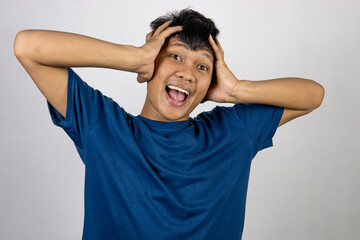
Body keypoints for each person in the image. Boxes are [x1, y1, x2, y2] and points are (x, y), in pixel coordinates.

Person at [14, 8, 324, 240]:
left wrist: (236, 90)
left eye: (202, 65)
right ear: (151, 63)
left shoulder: (230, 132)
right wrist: (133, 58)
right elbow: (28, 47)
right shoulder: (101, 125)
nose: (187, 72)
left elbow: (312, 95)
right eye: (174, 57)